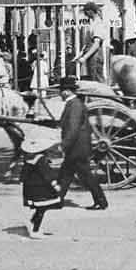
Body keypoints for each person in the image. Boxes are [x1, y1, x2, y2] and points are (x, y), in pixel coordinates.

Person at [56, 76, 108, 210]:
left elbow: (73, 129)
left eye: (60, 91)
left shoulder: (75, 105)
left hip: (77, 148)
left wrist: (63, 145)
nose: (59, 94)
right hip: (77, 147)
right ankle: (57, 199)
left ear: (66, 91)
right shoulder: (74, 104)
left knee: (85, 176)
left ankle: (101, 201)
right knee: (65, 175)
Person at [19, 129, 62, 239]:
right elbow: (47, 174)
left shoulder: (29, 159)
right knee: (42, 208)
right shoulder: (41, 160)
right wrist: (54, 184)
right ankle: (35, 230)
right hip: (41, 188)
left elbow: (23, 175)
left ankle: (32, 222)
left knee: (40, 208)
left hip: (30, 188)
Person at [72, 2, 108, 82]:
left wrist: (84, 57)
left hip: (96, 56)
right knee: (93, 79)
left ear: (90, 11)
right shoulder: (93, 23)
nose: (86, 15)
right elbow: (88, 44)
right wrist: (80, 54)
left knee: (97, 81)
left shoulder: (98, 24)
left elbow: (96, 44)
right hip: (92, 57)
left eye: (86, 12)